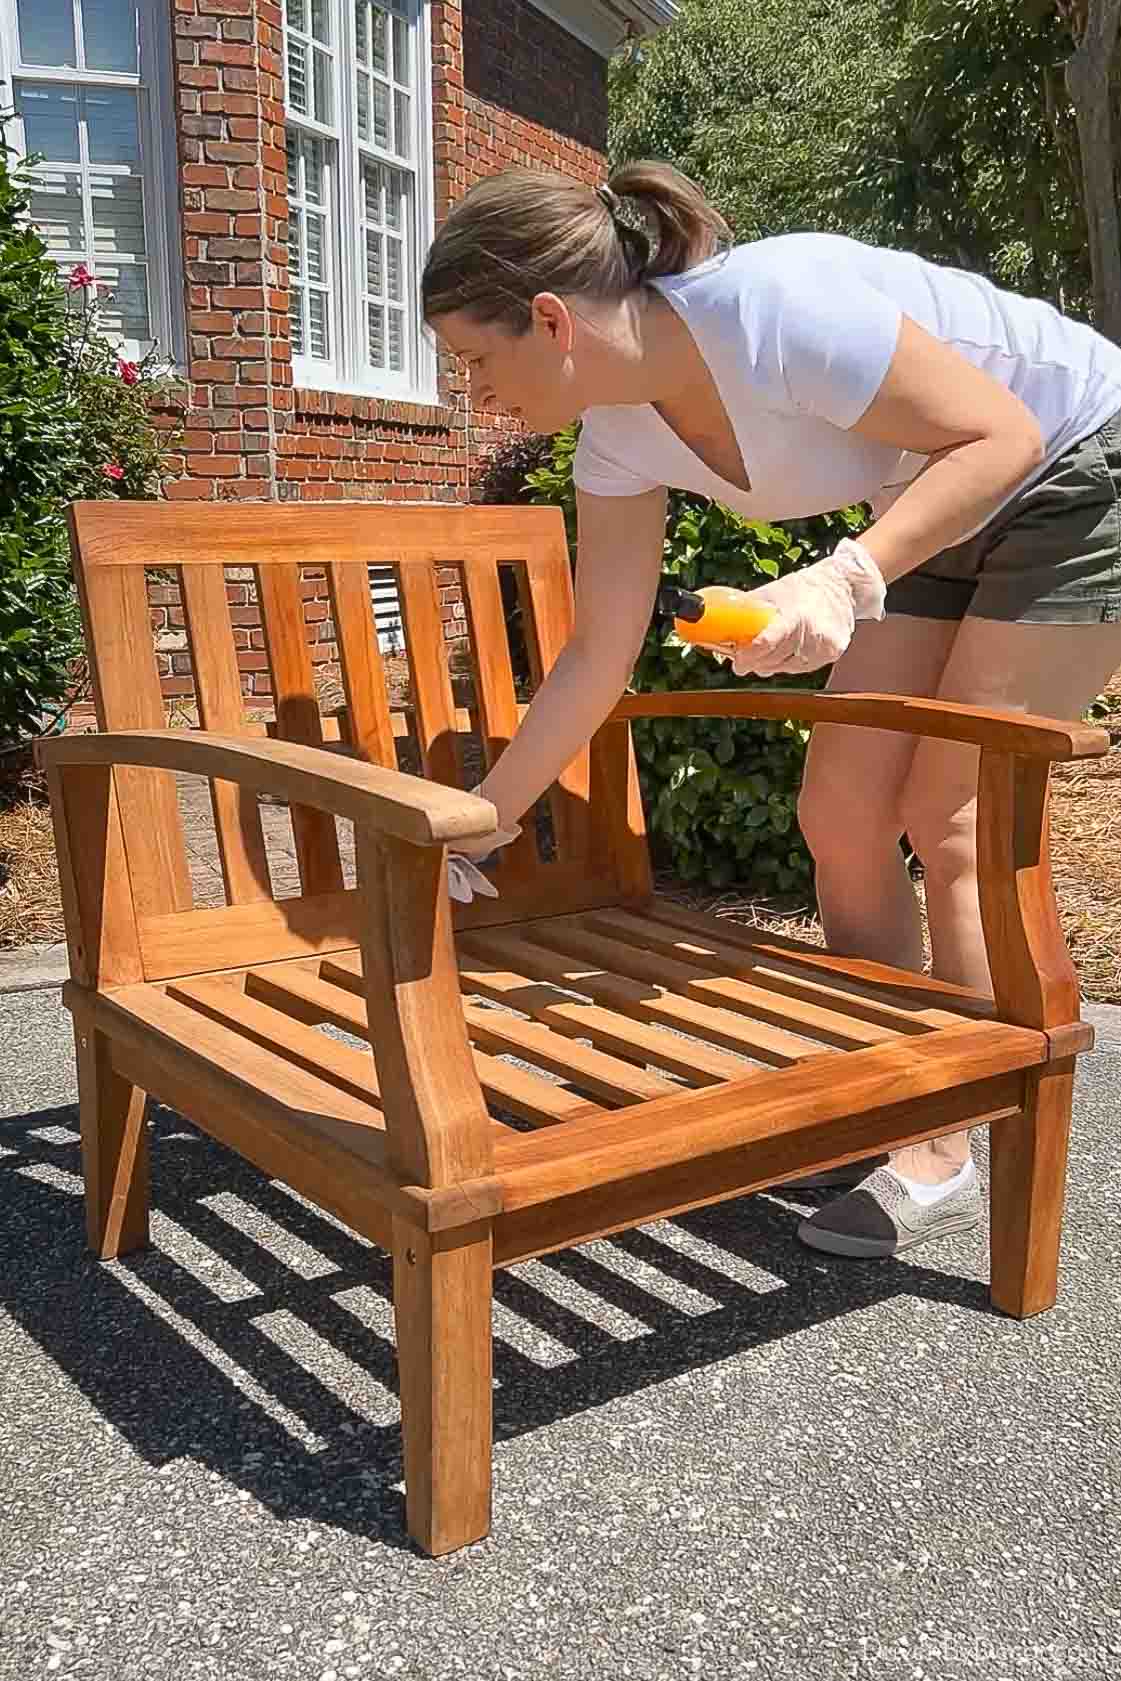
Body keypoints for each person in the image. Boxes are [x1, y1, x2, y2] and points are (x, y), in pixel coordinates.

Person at [421, 162, 1121, 1261]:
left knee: (951, 814)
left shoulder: (775, 307)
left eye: (474, 360)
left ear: (550, 319)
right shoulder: (613, 438)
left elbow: (1001, 439)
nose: (475, 393)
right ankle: (892, 1087)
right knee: (839, 809)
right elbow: (600, 651)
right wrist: (490, 813)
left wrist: (842, 579)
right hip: (929, 496)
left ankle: (943, 1141)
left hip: (1076, 461)